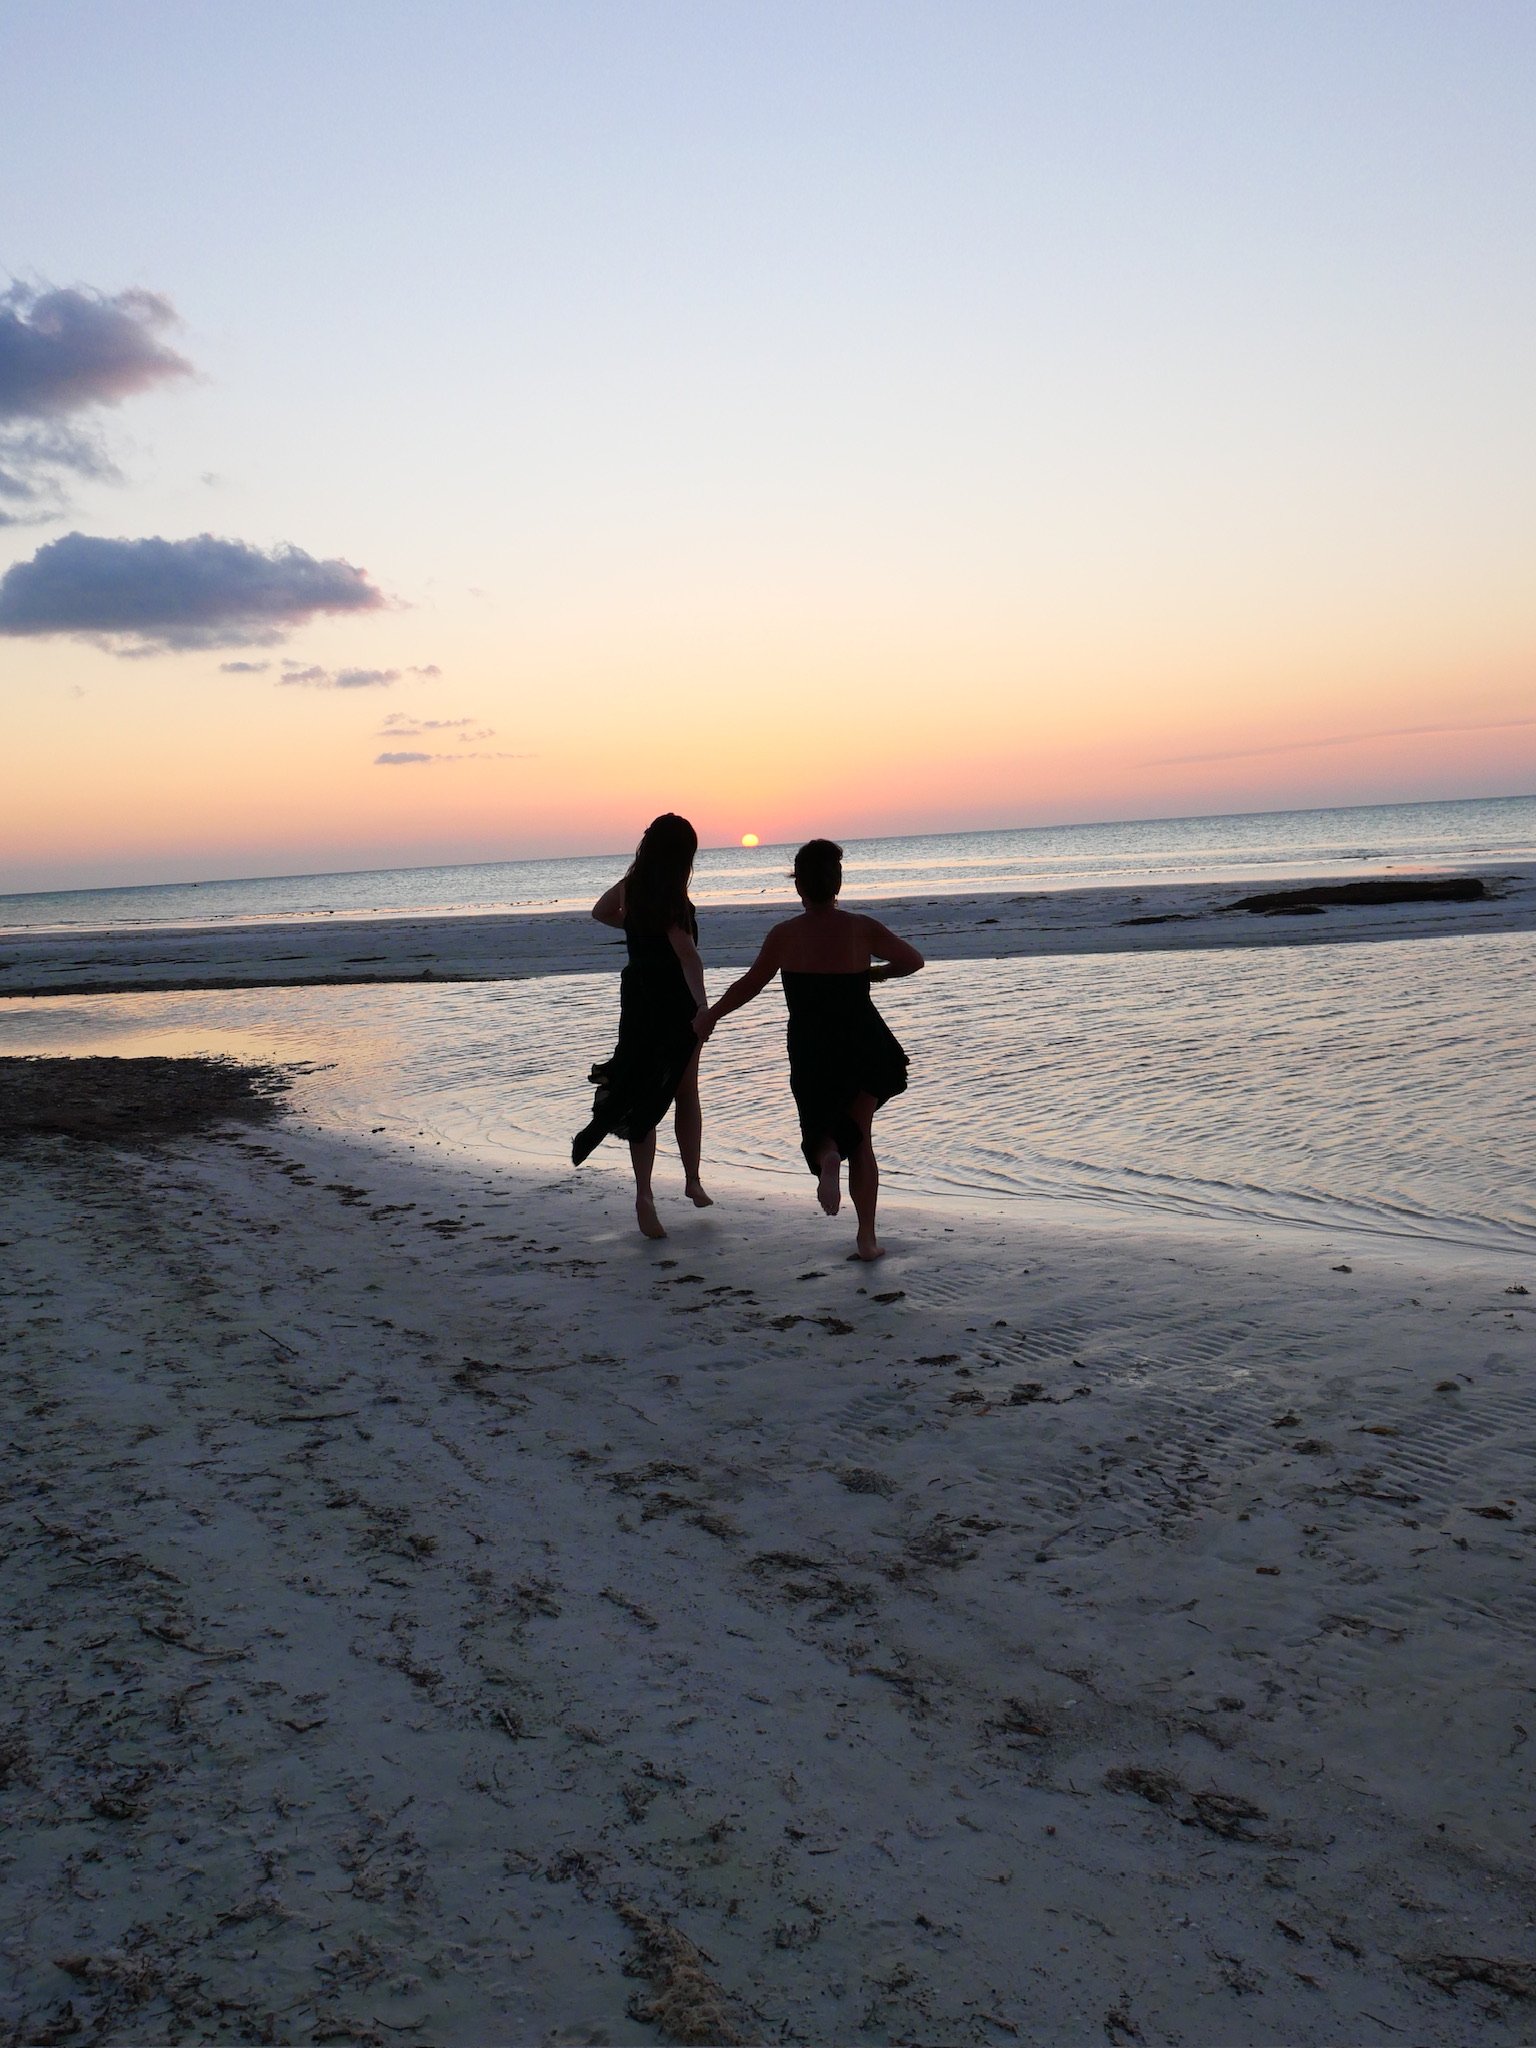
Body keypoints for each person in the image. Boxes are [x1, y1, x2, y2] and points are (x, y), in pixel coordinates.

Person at [696, 838, 922, 1260]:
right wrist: (873, 974)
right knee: (863, 1139)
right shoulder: (861, 927)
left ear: (799, 885)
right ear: (837, 883)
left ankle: (827, 1156)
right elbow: (913, 960)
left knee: (822, 1131)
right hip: (864, 1041)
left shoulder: (785, 935)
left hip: (812, 1047)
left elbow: (750, 985)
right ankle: (867, 1239)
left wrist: (712, 1015)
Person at [572, 813, 711, 1239]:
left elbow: (600, 912)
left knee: (643, 1092)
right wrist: (704, 1009)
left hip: (637, 999)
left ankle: (644, 1194)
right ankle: (691, 1179)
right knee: (685, 1090)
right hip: (673, 1001)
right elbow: (687, 956)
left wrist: (632, 915)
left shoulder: (634, 890)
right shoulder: (672, 900)